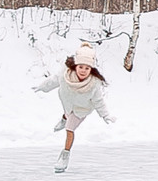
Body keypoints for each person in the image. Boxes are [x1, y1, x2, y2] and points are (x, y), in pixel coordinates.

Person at [34, 42, 113, 171]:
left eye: (87, 68)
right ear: (76, 66)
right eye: (81, 67)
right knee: (67, 113)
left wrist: (105, 115)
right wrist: (42, 87)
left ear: (91, 70)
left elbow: (98, 101)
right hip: (67, 102)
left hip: (81, 109)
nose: (83, 71)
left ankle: (64, 156)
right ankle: (64, 118)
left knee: (69, 129)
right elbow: (54, 80)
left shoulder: (93, 84)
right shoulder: (65, 74)